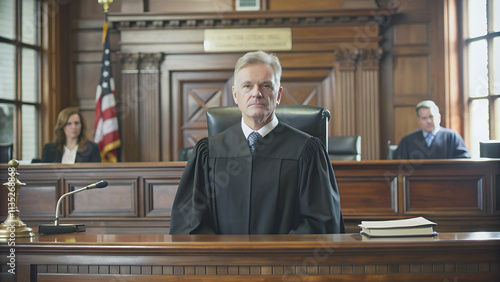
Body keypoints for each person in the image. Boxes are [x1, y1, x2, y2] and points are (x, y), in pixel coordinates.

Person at [169, 51, 344, 235]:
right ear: (236, 95)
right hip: (223, 262)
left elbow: (321, 223)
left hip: (284, 262)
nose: (256, 93)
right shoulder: (209, 152)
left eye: (266, 85)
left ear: (278, 95)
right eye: (247, 86)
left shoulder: (307, 151)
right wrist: (224, 258)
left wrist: (274, 258)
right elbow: (188, 223)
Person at [393, 100, 470, 159]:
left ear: (439, 117)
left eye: (431, 116)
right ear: (419, 120)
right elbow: (398, 163)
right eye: (424, 118)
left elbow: (465, 159)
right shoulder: (408, 140)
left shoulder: (452, 136)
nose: (429, 121)